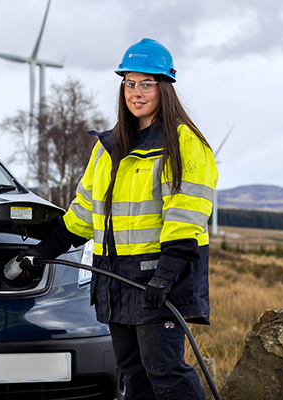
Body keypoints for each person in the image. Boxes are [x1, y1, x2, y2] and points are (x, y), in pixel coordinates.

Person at [17, 38, 217, 399]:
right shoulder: (108, 148)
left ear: (165, 87)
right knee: (133, 375)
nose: (136, 92)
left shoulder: (183, 144)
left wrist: (166, 275)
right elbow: (81, 213)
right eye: (129, 83)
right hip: (114, 279)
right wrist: (42, 251)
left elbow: (185, 217)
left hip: (159, 279)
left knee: (166, 371)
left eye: (146, 83)